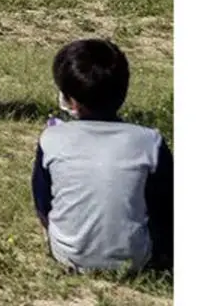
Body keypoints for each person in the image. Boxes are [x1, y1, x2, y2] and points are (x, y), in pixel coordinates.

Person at [31, 39, 174, 273]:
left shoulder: (52, 138)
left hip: (67, 254)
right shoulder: (150, 141)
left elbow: (43, 204)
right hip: (138, 258)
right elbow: (166, 207)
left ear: (71, 101)